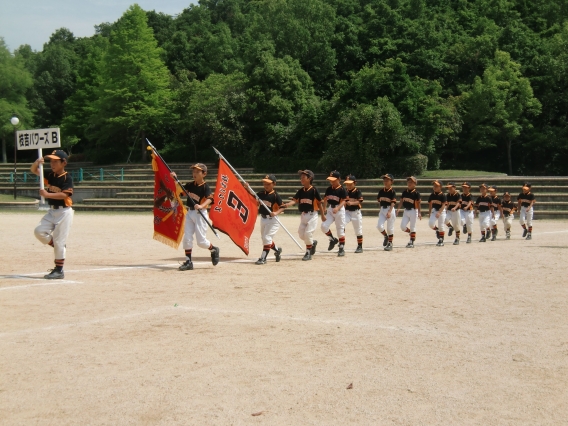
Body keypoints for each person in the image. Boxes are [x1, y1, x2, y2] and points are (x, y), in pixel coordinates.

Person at [31, 150, 74, 279]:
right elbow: (34, 170)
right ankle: (57, 245)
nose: (52, 163)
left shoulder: (67, 178)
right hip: (52, 211)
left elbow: (65, 194)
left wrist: (47, 194)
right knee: (39, 231)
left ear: (64, 162)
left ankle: (59, 270)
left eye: (56, 161)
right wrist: (37, 163)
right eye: (51, 161)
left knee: (60, 241)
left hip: (64, 212)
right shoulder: (50, 175)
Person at [171, 163, 220, 271]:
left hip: (200, 214)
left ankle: (214, 249)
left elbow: (210, 199)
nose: (195, 174)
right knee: (187, 238)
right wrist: (175, 179)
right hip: (190, 213)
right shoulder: (190, 185)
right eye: (193, 171)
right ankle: (188, 262)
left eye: (198, 172)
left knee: (201, 242)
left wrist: (201, 205)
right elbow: (181, 191)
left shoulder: (205, 187)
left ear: (204, 174)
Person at [281, 170, 326, 261]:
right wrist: (288, 204)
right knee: (302, 235)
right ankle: (312, 243)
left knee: (308, 234)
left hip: (312, 215)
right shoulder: (301, 191)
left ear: (309, 178)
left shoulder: (314, 190)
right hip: (303, 215)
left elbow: (319, 203)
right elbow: (295, 200)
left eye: (303, 177)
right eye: (300, 177)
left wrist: (322, 215)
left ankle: (308, 253)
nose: (301, 179)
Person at [254, 174, 284, 265]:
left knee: (267, 238)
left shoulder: (275, 195)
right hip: (263, 219)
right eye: (264, 183)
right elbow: (252, 196)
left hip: (272, 220)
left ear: (274, 184)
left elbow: (282, 207)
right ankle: (277, 250)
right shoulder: (261, 194)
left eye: (268, 184)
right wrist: (247, 188)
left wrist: (276, 213)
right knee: (265, 239)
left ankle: (263, 258)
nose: (266, 185)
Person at [321, 171, 348, 256]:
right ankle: (332, 239)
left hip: (339, 210)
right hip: (330, 209)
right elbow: (325, 199)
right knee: (323, 226)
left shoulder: (342, 189)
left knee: (340, 230)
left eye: (333, 180)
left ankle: (341, 248)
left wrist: (338, 208)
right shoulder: (329, 189)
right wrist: (324, 208)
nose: (331, 181)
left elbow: (344, 201)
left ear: (339, 179)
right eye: (330, 180)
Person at [397, 176, 421, 248]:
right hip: (406, 211)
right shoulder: (404, 192)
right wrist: (398, 209)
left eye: (411, 182)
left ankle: (411, 241)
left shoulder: (416, 193)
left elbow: (418, 203)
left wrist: (419, 212)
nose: (409, 183)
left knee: (412, 226)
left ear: (415, 184)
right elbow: (401, 201)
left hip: (414, 211)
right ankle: (411, 233)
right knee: (402, 227)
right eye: (408, 182)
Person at [344, 175, 364, 253]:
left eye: (350, 183)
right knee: (341, 225)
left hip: (356, 212)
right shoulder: (345, 191)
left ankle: (360, 246)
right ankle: (341, 243)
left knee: (358, 230)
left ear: (355, 183)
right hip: (347, 212)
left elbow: (359, 201)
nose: (348, 185)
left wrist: (351, 203)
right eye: (347, 184)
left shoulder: (357, 191)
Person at [377, 173, 397, 251]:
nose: (385, 181)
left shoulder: (392, 192)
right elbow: (379, 200)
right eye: (384, 180)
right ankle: (386, 236)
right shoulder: (381, 191)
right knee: (379, 226)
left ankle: (390, 243)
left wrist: (389, 211)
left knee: (390, 228)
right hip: (383, 209)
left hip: (390, 210)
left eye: (387, 180)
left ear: (391, 182)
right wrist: (381, 209)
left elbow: (393, 202)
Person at [428, 180, 447, 246]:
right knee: (431, 224)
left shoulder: (442, 195)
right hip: (434, 210)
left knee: (441, 225)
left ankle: (441, 240)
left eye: (436, 186)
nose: (434, 187)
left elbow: (444, 205)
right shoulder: (432, 194)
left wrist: (439, 212)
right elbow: (430, 203)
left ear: (440, 187)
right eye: (434, 186)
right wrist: (430, 212)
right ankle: (437, 230)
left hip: (441, 211)